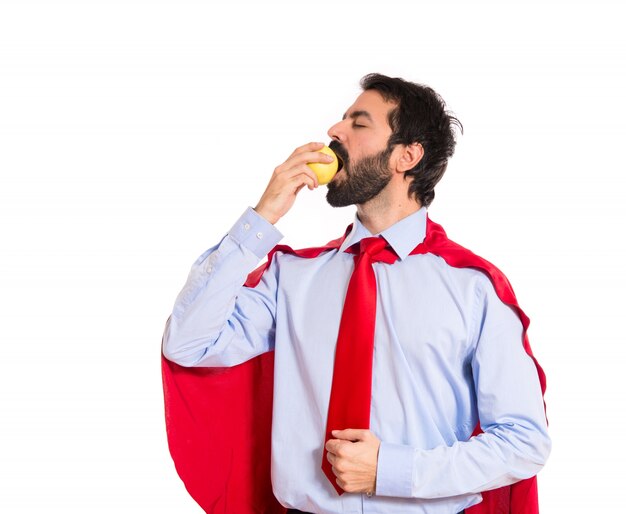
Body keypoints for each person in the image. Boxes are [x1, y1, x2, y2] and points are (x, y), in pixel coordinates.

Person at [161, 73, 551, 514]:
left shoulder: (473, 287)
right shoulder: (290, 275)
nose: (334, 132)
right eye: (342, 120)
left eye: (359, 123)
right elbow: (189, 345)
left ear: (407, 155)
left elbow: (524, 440)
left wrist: (392, 468)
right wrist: (262, 217)